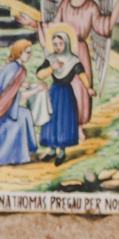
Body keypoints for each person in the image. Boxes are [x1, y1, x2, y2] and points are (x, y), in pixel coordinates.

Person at [17, 0, 119, 136]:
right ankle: (63, 126)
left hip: (80, 50)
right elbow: (53, 25)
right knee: (64, 88)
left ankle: (78, 126)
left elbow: (105, 26)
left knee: (80, 88)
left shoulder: (91, 6)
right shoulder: (65, 3)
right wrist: (33, 23)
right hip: (62, 50)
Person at [36, 29, 96, 165]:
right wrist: (52, 68)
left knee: (63, 121)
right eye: (55, 44)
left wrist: (88, 88)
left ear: (67, 44)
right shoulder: (51, 59)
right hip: (54, 92)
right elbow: (39, 74)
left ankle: (61, 152)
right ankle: (51, 150)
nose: (57, 47)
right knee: (51, 121)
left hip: (66, 95)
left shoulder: (73, 60)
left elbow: (82, 74)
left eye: (60, 44)